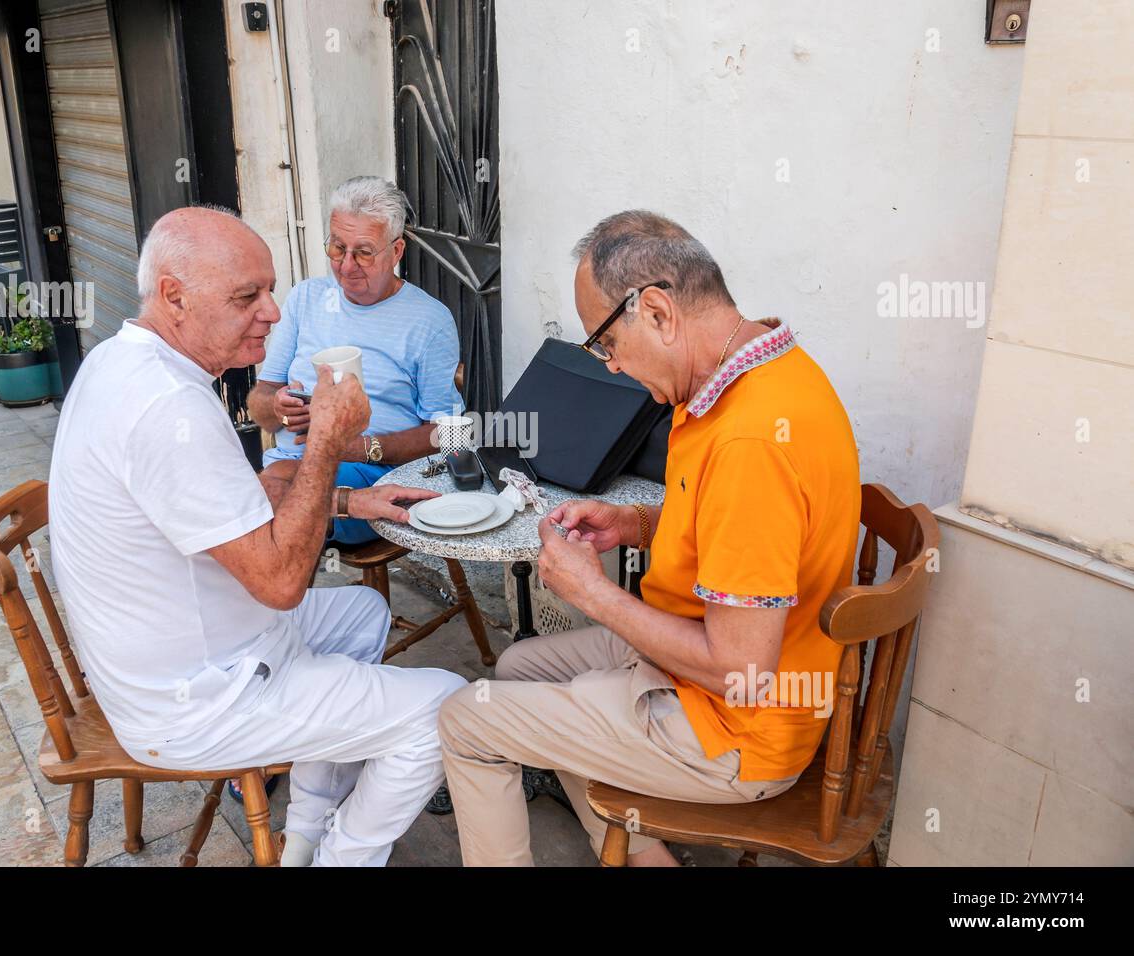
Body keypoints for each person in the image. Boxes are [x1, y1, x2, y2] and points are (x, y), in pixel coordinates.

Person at [437, 210, 862, 866]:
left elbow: (740, 669)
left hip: (736, 730)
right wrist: (636, 524)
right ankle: (645, 856)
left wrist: (593, 593)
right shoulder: (767, 373)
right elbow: (747, 531)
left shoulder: (751, 442)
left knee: (469, 719)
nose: (609, 368)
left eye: (604, 344)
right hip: (707, 667)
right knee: (520, 668)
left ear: (659, 312)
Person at [48, 205, 466, 867]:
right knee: (444, 702)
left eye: (270, 289)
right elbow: (278, 582)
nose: (272, 312)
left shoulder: (125, 360)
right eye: (248, 296)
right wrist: (329, 439)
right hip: (194, 699)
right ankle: (342, 858)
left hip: (179, 650)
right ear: (173, 297)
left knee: (364, 610)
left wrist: (352, 496)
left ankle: (301, 835)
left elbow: (243, 504)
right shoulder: (168, 409)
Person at [247, 176, 462, 546]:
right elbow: (259, 402)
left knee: (259, 514)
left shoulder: (429, 321)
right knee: (251, 503)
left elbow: (450, 434)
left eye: (363, 252)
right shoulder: (305, 299)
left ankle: (294, 593)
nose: (346, 266)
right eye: (337, 248)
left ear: (396, 251)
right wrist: (278, 409)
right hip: (290, 466)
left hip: (374, 477)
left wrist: (360, 447)